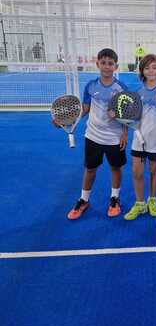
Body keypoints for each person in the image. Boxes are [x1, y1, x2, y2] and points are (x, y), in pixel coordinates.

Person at [53, 48, 128, 220]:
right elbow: (84, 109)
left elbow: (126, 113)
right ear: (97, 64)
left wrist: (125, 133)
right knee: (90, 169)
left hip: (114, 137)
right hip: (93, 135)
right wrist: (65, 120)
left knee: (115, 168)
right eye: (103, 63)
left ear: (115, 66)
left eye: (110, 64)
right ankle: (84, 200)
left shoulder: (121, 88)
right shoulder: (91, 86)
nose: (107, 67)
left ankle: (115, 198)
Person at [124, 53, 156, 220]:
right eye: (147, 68)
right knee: (137, 172)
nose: (151, 71)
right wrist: (125, 132)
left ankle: (152, 200)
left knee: (154, 172)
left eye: (155, 67)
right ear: (142, 71)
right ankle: (140, 203)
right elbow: (129, 115)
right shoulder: (137, 91)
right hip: (138, 140)